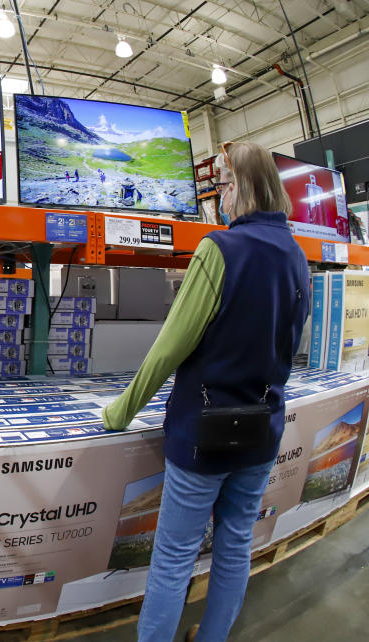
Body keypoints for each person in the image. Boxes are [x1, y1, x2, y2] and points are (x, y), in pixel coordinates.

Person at [102, 141, 310, 642]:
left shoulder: (219, 250)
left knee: (174, 557)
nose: (220, 195)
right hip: (262, 430)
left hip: (204, 437)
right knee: (236, 544)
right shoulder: (298, 258)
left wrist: (120, 412)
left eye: (223, 185)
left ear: (239, 186)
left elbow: (168, 349)